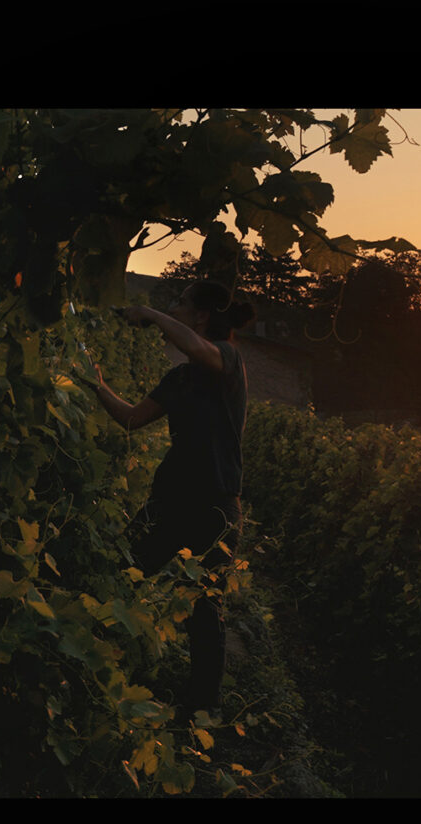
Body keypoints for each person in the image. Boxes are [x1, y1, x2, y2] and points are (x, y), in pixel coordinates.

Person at [84, 280, 254, 719]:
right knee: (122, 575)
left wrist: (151, 313)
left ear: (200, 316)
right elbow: (132, 418)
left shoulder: (227, 360)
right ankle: (89, 666)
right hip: (171, 499)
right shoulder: (178, 377)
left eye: (179, 304)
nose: (172, 309)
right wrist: (97, 385)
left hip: (216, 506)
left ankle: (201, 711)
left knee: (204, 607)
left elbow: (203, 351)